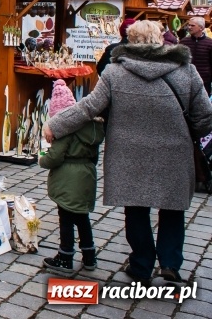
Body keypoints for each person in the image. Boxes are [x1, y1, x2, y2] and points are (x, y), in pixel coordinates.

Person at [43, 20, 212, 285]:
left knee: (135, 209)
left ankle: (141, 265)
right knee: (172, 209)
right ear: (160, 39)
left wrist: (55, 124)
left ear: (130, 41)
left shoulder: (114, 72)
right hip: (174, 153)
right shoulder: (185, 70)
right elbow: (205, 115)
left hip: (128, 154)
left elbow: (89, 108)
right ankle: (169, 263)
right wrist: (188, 133)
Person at [39, 79, 104, 274]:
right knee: (82, 217)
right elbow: (94, 158)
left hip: (68, 180)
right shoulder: (91, 129)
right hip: (85, 177)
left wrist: (42, 159)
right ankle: (89, 255)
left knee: (65, 217)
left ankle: (65, 256)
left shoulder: (65, 130)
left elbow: (55, 156)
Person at [179, 16, 212, 95]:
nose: (189, 27)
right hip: (186, 80)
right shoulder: (183, 42)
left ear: (201, 27)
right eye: (189, 25)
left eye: (192, 25)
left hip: (204, 80)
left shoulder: (210, 43)